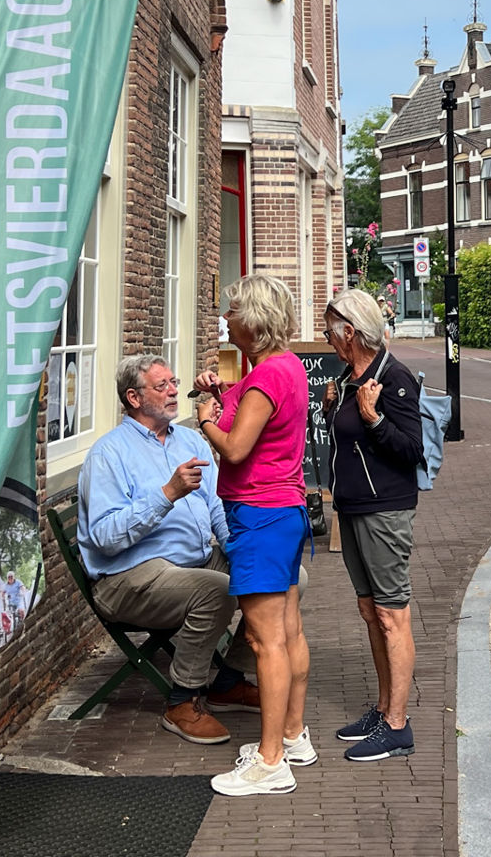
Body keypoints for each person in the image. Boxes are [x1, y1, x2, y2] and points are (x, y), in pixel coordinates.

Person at [76, 354, 259, 745]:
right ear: (134, 398)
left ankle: (227, 681)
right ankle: (182, 700)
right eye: (162, 386)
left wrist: (240, 551)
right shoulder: (109, 454)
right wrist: (167, 494)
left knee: (282, 576)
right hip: (129, 576)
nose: (175, 391)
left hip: (195, 562)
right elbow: (105, 537)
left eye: (174, 382)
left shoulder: (190, 440)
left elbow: (215, 507)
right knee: (213, 590)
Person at [195, 273, 314, 796]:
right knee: (287, 632)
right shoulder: (284, 368)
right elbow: (257, 420)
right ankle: (292, 736)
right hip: (283, 510)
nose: (226, 316)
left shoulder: (266, 378)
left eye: (233, 309)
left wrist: (205, 420)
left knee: (265, 641)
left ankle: (270, 763)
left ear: (254, 320)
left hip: (259, 513)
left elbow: (237, 448)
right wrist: (223, 395)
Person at [320, 290, 425, 761]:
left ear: (350, 331)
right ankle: (382, 709)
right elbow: (347, 444)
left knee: (391, 613)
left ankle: (398, 726)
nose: (326, 339)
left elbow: (410, 451)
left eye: (329, 330)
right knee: (369, 611)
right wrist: (332, 410)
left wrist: (373, 417)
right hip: (353, 506)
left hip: (385, 509)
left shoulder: (393, 378)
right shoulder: (347, 377)